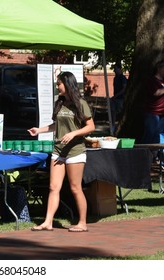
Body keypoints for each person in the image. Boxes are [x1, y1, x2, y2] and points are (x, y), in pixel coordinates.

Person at [27, 71, 95, 232]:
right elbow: (56, 125)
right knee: (53, 187)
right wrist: (39, 130)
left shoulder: (81, 103)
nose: (57, 86)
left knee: (75, 187)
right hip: (58, 150)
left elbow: (91, 127)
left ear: (68, 84)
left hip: (75, 151)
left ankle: (82, 223)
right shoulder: (60, 103)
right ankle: (48, 222)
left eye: (59, 84)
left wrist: (73, 133)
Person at [141, 60, 164, 144]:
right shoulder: (151, 80)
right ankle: (143, 153)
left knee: (157, 136)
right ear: (159, 69)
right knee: (150, 135)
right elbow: (156, 92)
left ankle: (154, 155)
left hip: (162, 114)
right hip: (152, 113)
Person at [110, 63, 127, 129]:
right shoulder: (115, 78)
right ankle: (113, 125)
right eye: (114, 69)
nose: (115, 71)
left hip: (120, 98)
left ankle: (121, 125)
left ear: (120, 69)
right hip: (115, 97)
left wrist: (117, 95)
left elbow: (124, 88)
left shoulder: (122, 78)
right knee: (113, 111)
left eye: (116, 69)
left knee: (120, 112)